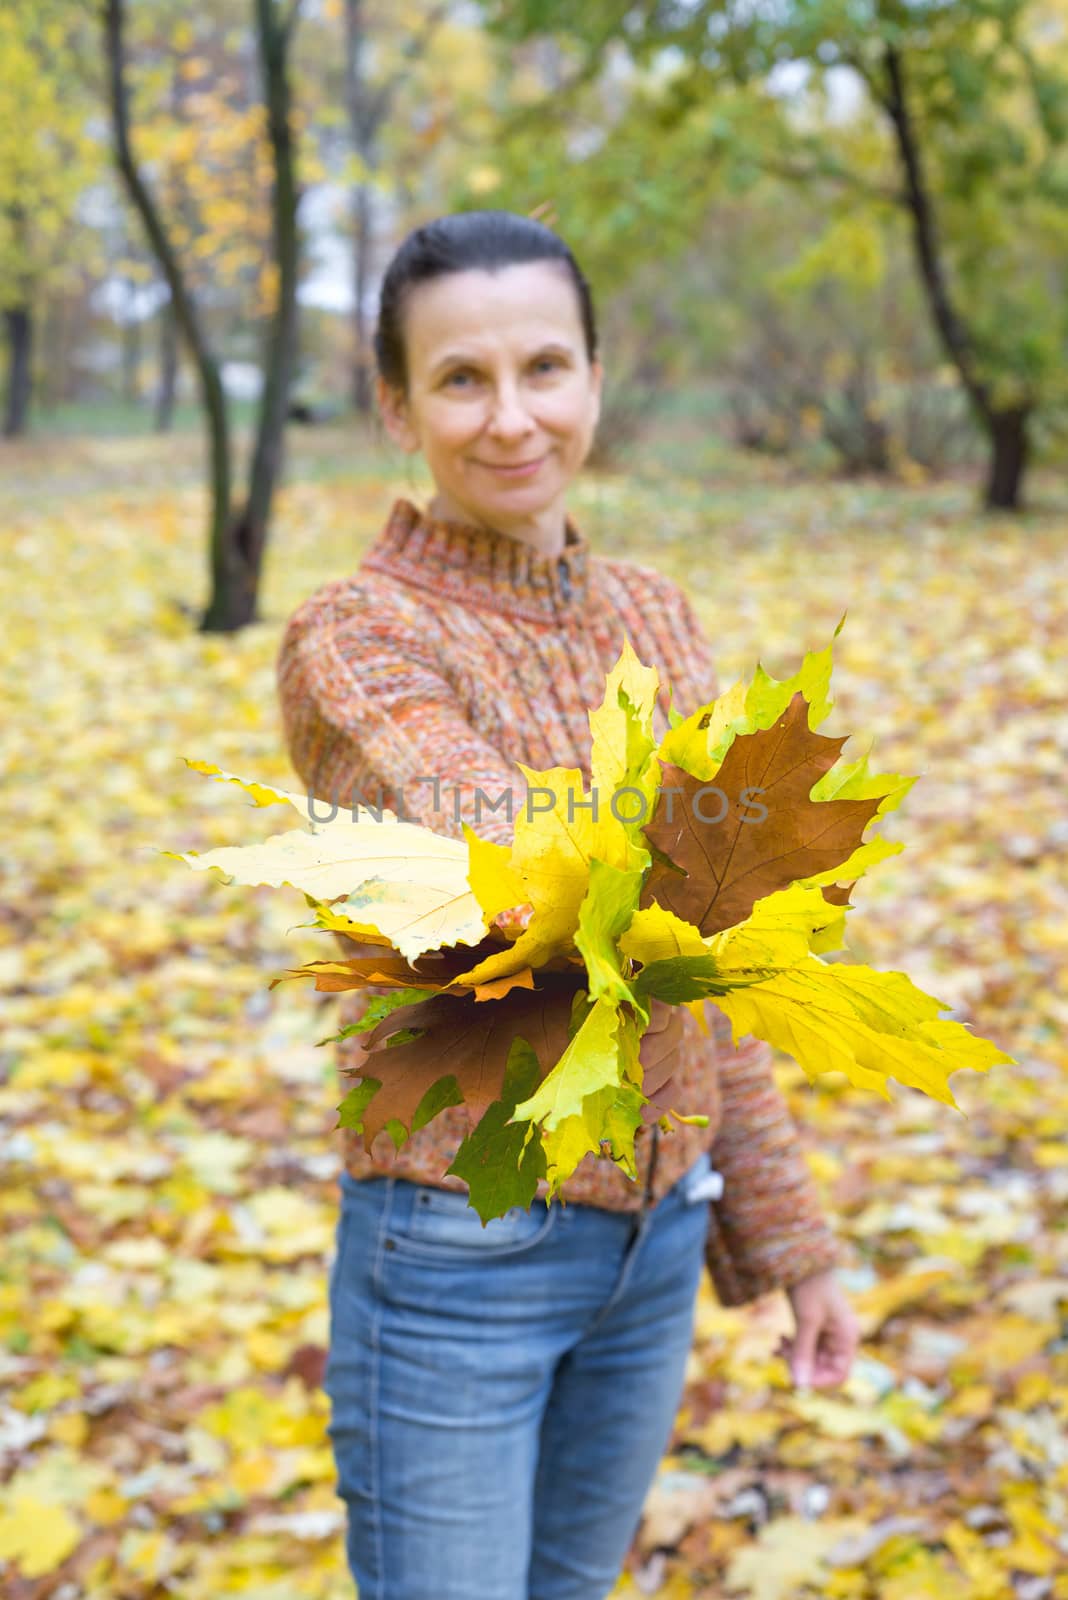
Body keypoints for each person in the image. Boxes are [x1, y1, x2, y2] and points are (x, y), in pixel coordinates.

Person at [276, 209, 860, 1600]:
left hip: (655, 1249)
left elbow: (718, 963)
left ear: (596, 376)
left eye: (546, 366)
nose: (512, 416)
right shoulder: (356, 636)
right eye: (461, 379)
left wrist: (792, 1244)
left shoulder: (656, 617)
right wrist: (699, 852)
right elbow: (492, 841)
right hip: (461, 1250)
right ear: (395, 407)